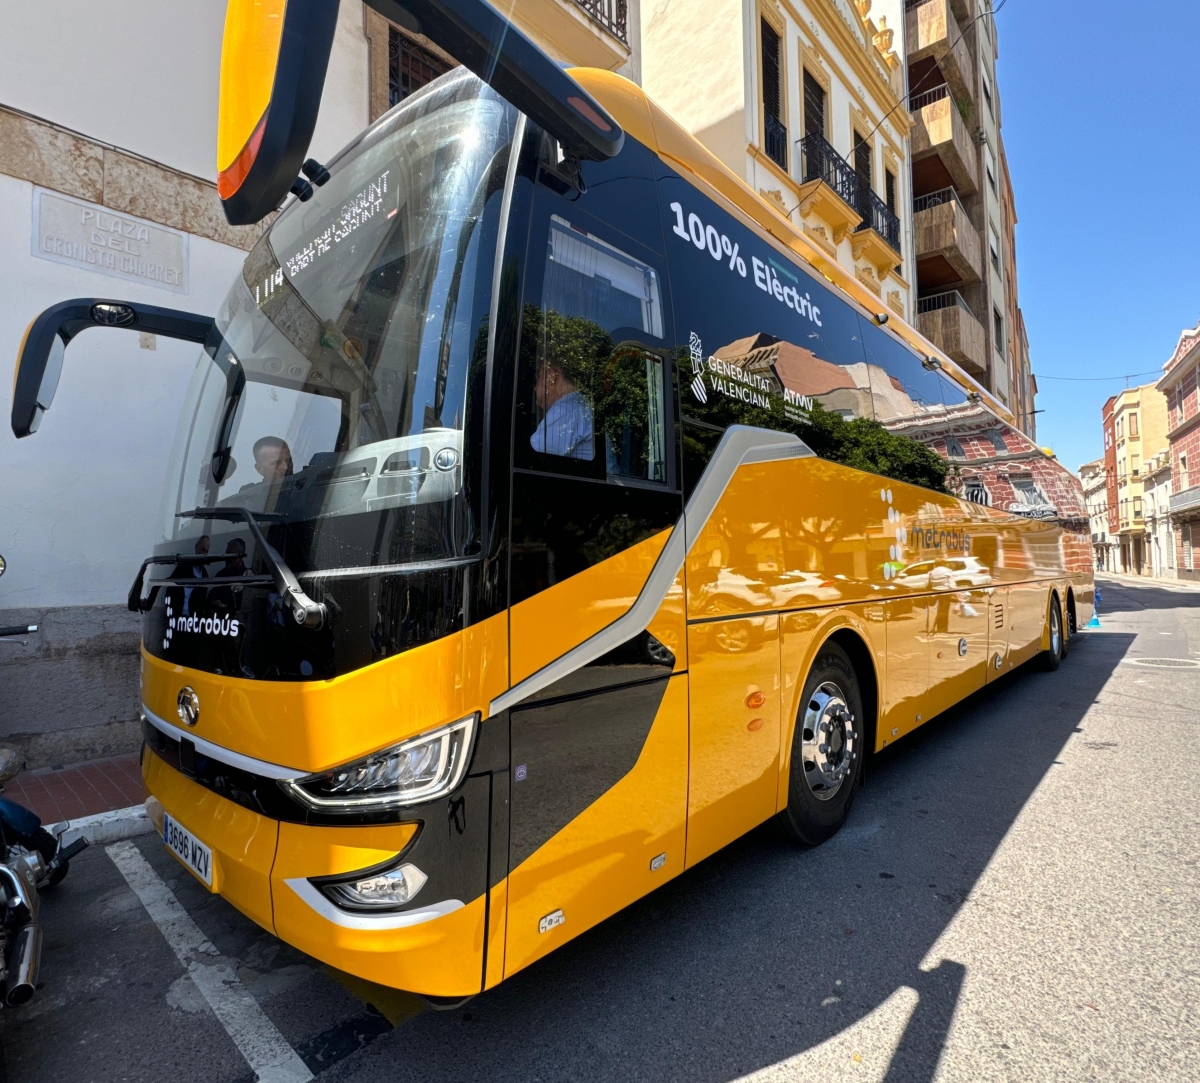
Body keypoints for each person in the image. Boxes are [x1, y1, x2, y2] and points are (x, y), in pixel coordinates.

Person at [530, 361, 594, 460]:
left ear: (553, 377)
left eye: (539, 376)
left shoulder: (566, 409)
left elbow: (532, 457)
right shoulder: (579, 404)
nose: (535, 388)